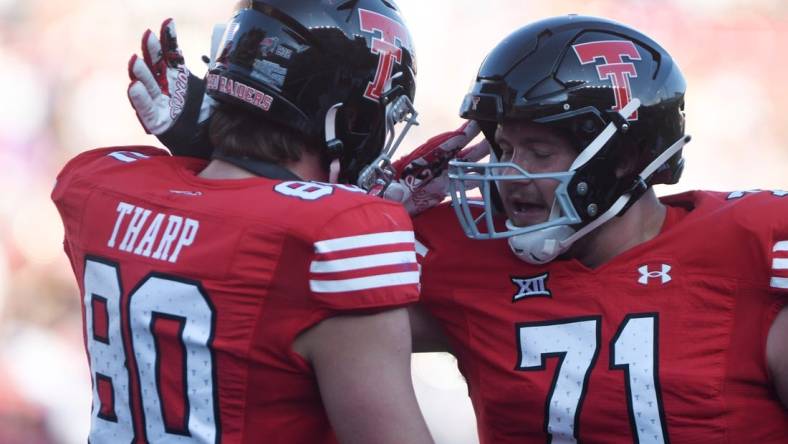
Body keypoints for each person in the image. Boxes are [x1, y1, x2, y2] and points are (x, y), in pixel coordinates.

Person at [126, 11, 788, 444]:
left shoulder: (747, 246)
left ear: (627, 156)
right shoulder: (465, 251)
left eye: (538, 151)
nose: (508, 172)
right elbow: (273, 287)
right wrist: (229, 150)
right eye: (502, 146)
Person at [52, 1, 434, 443]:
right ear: (349, 119)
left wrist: (206, 140)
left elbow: (214, 221)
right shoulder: (336, 233)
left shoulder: (97, 185)